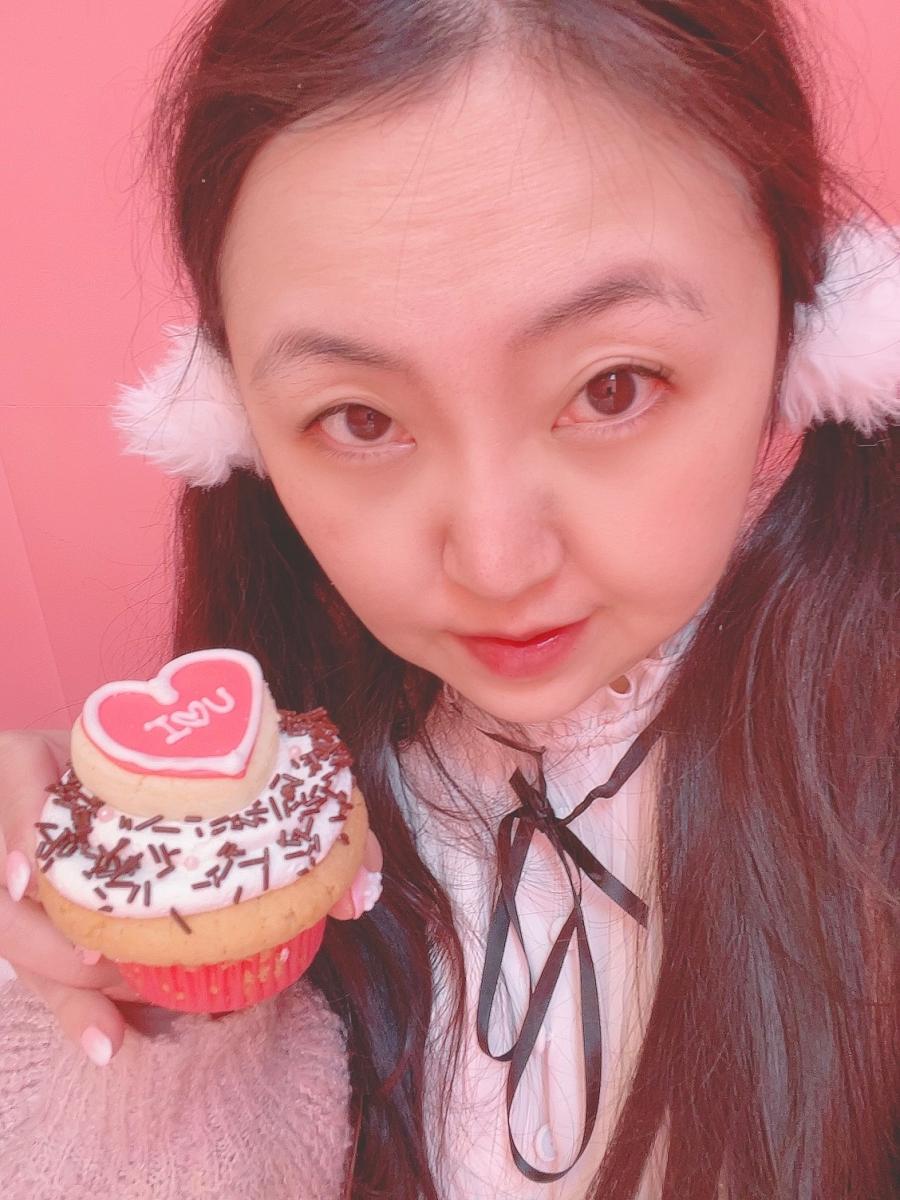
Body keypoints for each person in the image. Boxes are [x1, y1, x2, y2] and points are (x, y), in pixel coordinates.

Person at [0, 1, 897, 1197]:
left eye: (614, 386)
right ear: (240, 422)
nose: (494, 562)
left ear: (800, 335)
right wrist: (148, 1015)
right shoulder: (307, 812)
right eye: (360, 419)